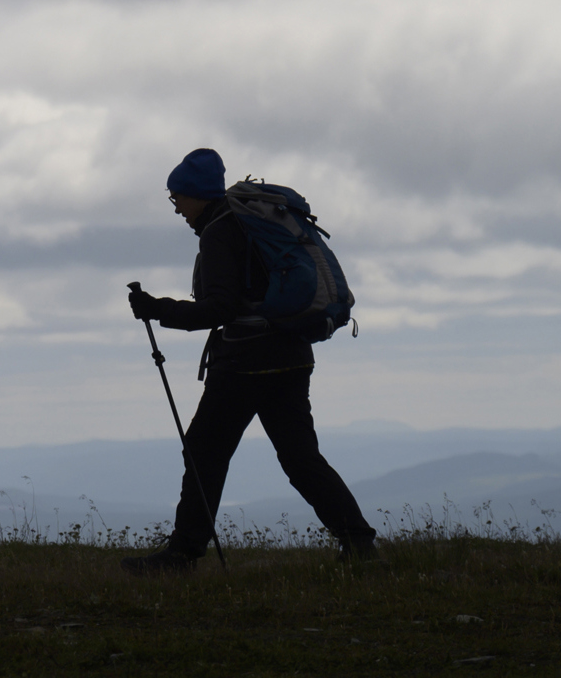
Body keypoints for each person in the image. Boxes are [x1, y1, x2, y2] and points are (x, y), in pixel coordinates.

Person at [123, 148, 378, 574]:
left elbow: (220, 308)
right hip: (292, 354)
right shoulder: (247, 224)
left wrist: (158, 309)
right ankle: (359, 542)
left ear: (195, 195)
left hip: (245, 362)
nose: (177, 209)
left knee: (204, 449)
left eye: (177, 199)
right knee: (300, 458)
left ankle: (183, 554)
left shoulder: (220, 231)